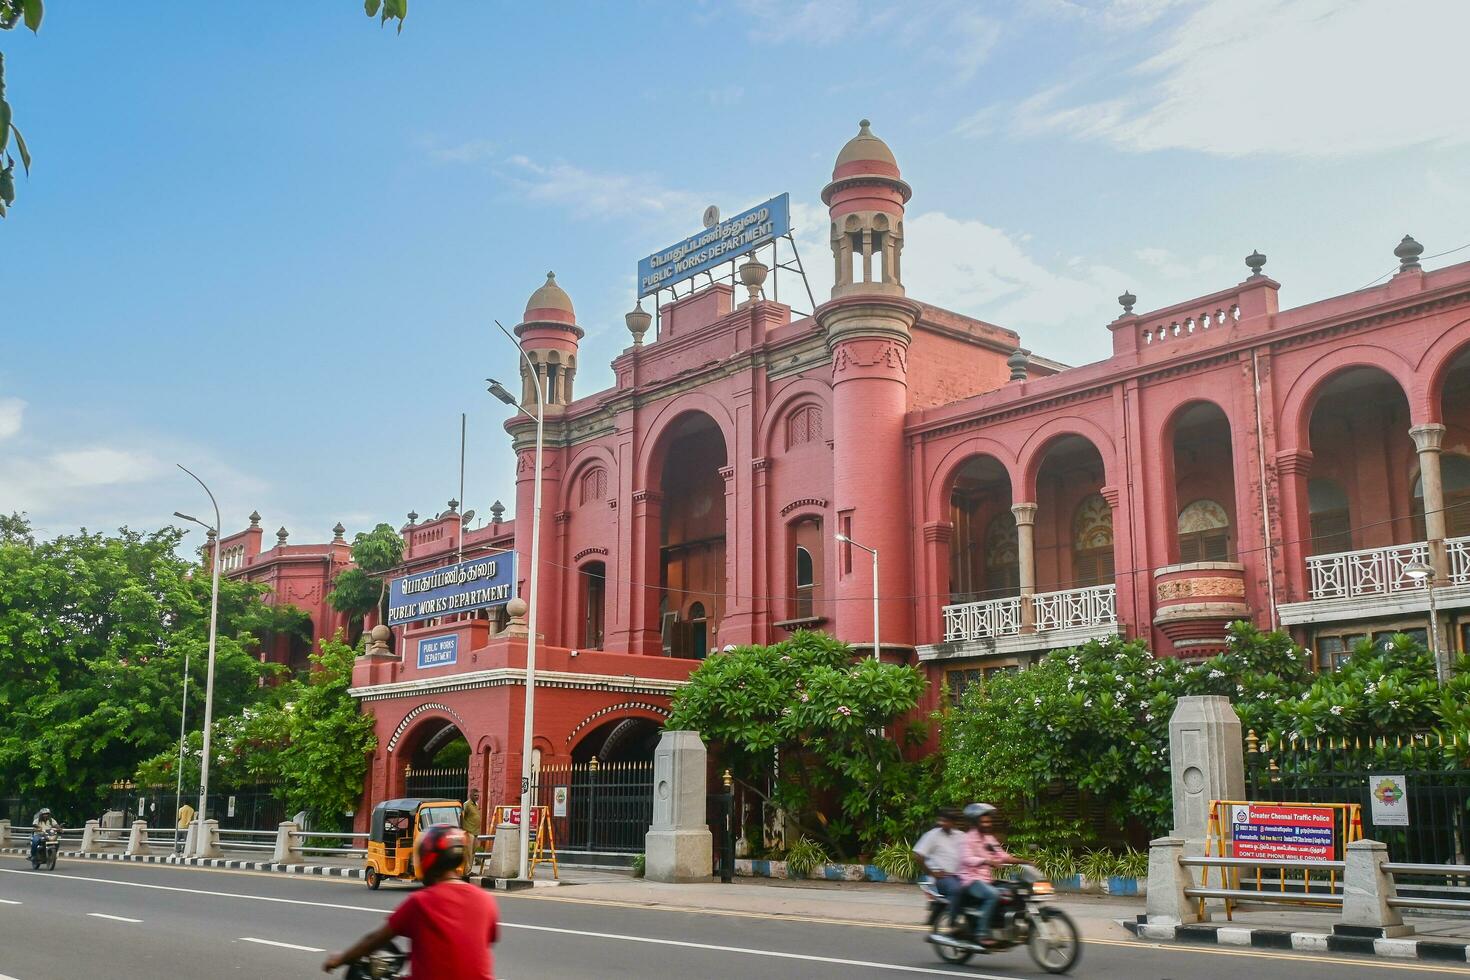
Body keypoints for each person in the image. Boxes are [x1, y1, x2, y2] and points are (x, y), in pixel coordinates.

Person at [323, 824, 499, 979]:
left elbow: (375, 939)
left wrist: (341, 959)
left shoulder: (421, 902)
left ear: (428, 858)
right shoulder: (485, 899)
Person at [957, 802, 1014, 943]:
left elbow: (1002, 856)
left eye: (989, 821)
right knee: (993, 894)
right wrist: (986, 861)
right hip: (971, 880)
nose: (988, 824)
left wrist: (1026, 862)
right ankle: (981, 933)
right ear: (976, 822)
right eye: (984, 821)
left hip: (986, 879)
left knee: (1012, 891)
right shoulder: (967, 839)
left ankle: (1001, 926)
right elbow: (967, 859)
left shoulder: (989, 838)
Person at [913, 807, 966, 939]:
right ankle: (953, 925)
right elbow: (917, 856)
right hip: (942, 878)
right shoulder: (932, 835)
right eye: (942, 820)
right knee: (956, 890)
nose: (943, 823)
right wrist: (931, 873)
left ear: (954, 822)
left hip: (960, 876)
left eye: (947, 821)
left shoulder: (960, 836)